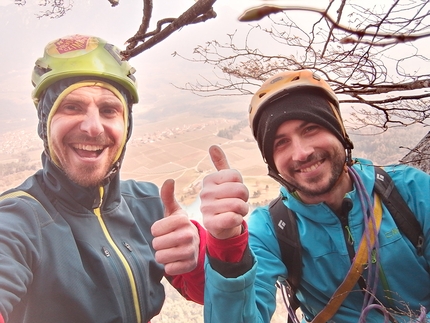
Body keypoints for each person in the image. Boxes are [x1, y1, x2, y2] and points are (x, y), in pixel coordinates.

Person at [0, 34, 206, 323]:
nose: (93, 127)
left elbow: (207, 294)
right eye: (72, 107)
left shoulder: (148, 205)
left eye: (109, 110)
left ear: (126, 126)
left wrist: (211, 249)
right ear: (46, 123)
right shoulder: (18, 219)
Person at [200, 69, 430, 322]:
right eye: (281, 143)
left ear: (339, 132)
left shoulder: (410, 190)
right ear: (272, 162)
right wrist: (227, 250)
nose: (301, 153)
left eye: (311, 129)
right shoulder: (270, 229)